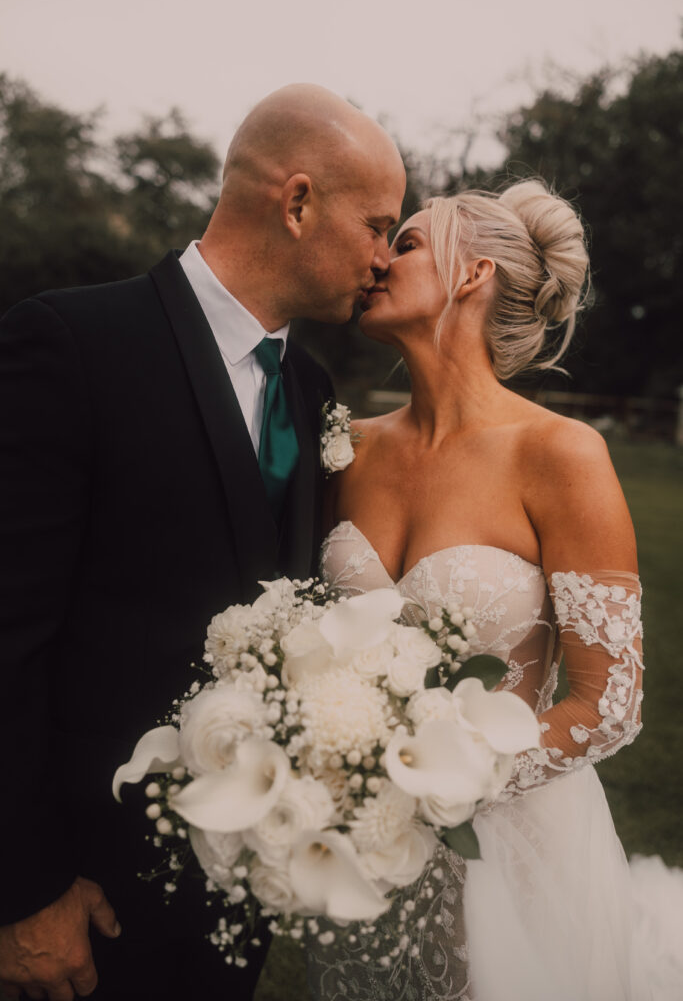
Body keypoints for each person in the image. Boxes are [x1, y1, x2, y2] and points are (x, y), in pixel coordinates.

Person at [0, 84, 406, 1001]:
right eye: (379, 225)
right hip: (79, 897)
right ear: (297, 203)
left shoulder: (308, 386)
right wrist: (20, 890)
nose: (385, 260)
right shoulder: (71, 343)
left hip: (232, 896)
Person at [312, 180, 657, 999]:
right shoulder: (344, 447)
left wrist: (445, 786)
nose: (375, 260)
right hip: (362, 855)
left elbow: (608, 701)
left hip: (515, 850)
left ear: (470, 275)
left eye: (403, 241)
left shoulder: (559, 453)